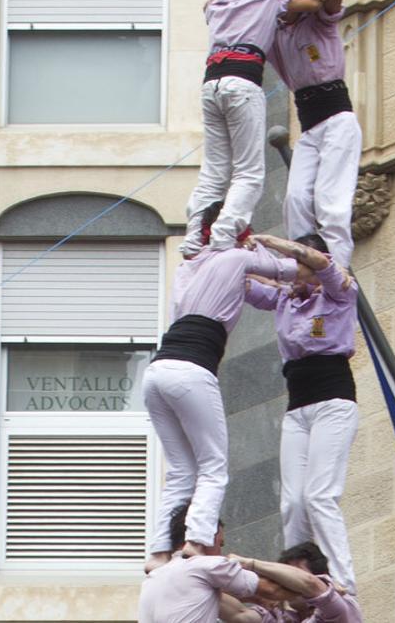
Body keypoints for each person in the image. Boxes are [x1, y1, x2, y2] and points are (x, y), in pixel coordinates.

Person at [143, 216, 325, 568]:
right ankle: (197, 540)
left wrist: (292, 289)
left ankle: (158, 551)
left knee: (182, 471)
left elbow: (273, 291)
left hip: (158, 370)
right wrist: (272, 247)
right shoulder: (235, 259)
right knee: (214, 467)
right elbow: (305, 271)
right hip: (194, 371)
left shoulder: (191, 268)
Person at [180, 0, 326, 257]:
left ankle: (194, 238)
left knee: (214, 172)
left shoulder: (214, 4)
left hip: (211, 84)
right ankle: (223, 235)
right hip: (242, 82)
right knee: (248, 173)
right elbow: (315, 6)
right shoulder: (265, 0)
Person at [245, 234, 359, 593]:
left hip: (333, 399)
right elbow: (245, 283)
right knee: (293, 501)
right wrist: (237, 249)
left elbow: (322, 266)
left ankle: (343, 580)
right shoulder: (285, 300)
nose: (295, 277)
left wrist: (269, 242)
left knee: (319, 495)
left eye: (300, 270)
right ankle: (296, 577)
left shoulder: (339, 291)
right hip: (298, 405)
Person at [267, 0, 359, 268]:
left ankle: (337, 272)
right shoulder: (276, 34)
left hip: (336, 120)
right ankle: (303, 269)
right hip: (309, 126)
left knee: (330, 203)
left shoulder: (320, 21)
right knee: (295, 201)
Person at [138, 505, 293, 623]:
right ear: (205, 538)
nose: (221, 552)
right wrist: (313, 588)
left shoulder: (155, 579)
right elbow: (272, 590)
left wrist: (255, 598)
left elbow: (232, 603)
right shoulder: (203, 566)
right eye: (220, 544)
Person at [217, 542, 363, 623]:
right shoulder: (282, 617)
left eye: (294, 574)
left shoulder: (341, 606)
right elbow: (239, 615)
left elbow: (311, 585)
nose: (287, 583)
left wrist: (251, 564)